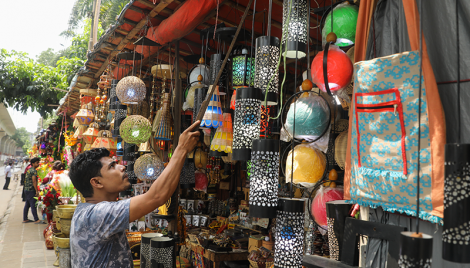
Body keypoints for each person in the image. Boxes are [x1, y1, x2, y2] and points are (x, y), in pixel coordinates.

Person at [69, 121, 200, 268]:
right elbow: (156, 196)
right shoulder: (97, 214)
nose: (122, 167)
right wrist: (181, 149)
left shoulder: (86, 211)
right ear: (97, 182)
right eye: (112, 167)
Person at [23, 157, 41, 223]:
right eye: (37, 163)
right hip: (31, 190)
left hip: (26, 189)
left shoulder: (29, 169)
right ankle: (36, 219)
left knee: (27, 204)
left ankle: (25, 218)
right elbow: (34, 181)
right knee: (33, 204)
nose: (38, 164)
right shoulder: (33, 171)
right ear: (33, 163)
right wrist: (36, 191)